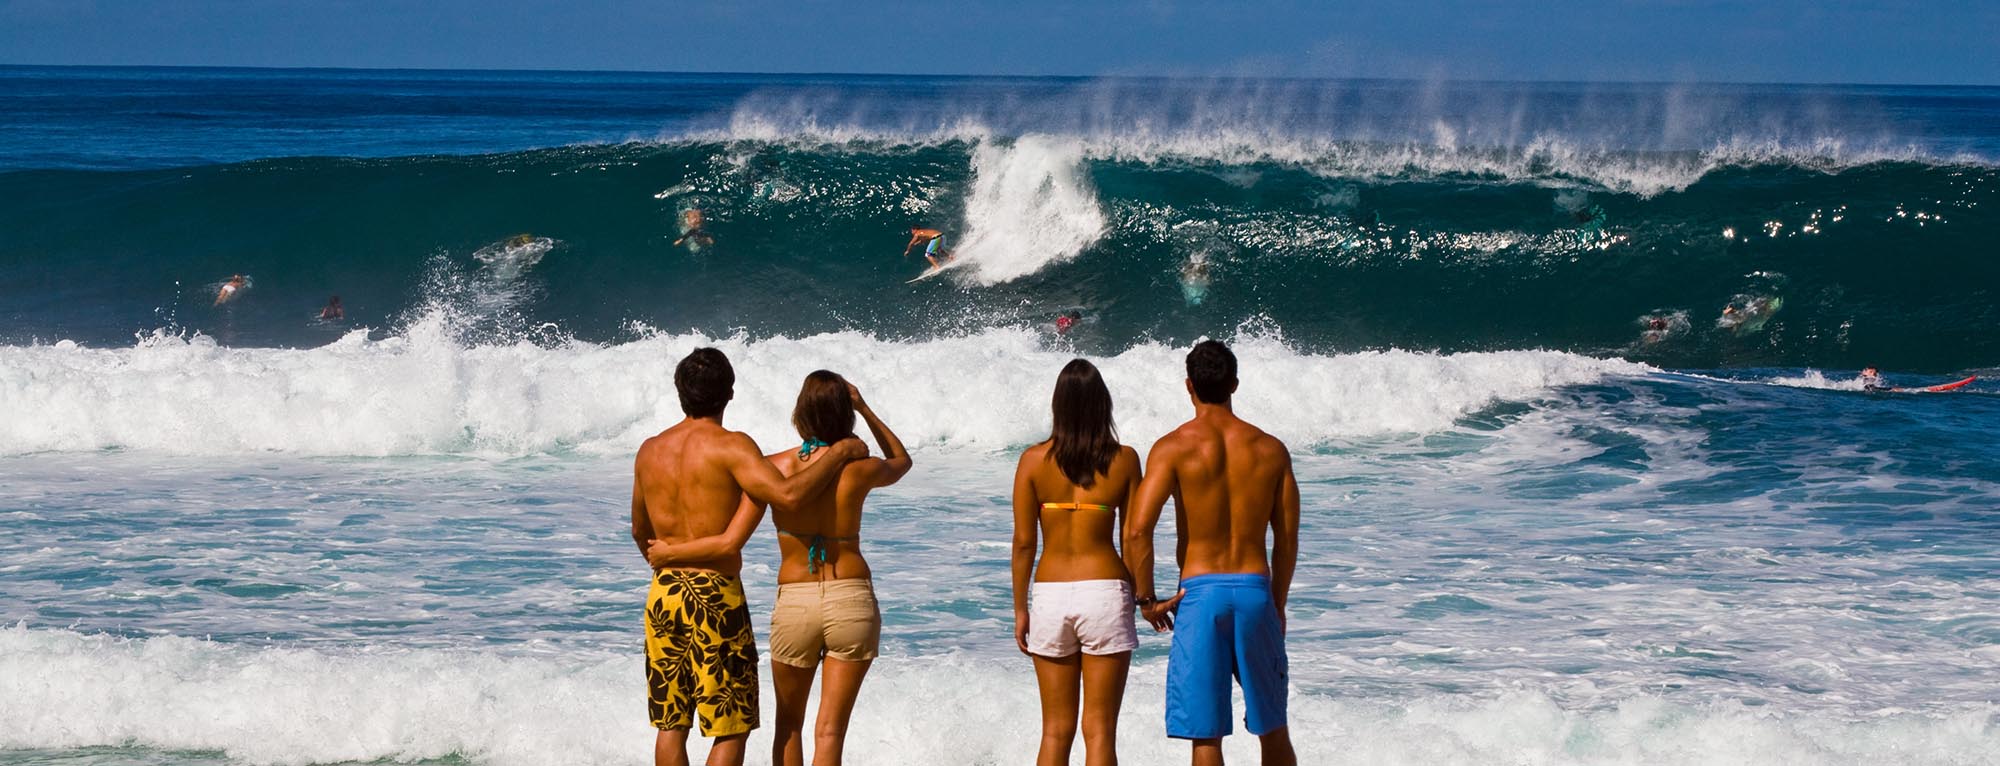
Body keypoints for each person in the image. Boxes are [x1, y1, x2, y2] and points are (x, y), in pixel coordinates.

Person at [648, 371, 912, 766]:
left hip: (795, 603)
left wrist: (673, 552)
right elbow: (902, 460)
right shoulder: (861, 468)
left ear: (800, 413)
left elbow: (731, 536)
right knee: (830, 732)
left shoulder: (773, 468)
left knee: (788, 726)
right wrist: (864, 408)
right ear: (845, 414)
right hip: (850, 598)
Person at [1125, 340, 1300, 766]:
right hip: (1256, 591)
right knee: (1273, 728)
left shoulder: (1173, 447)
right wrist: (1277, 604)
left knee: (1205, 736)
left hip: (1199, 595)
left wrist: (1147, 600)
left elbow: (1137, 530)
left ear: (1189, 385)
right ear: (1235, 384)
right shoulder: (1270, 449)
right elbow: (1287, 538)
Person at [1012, 359, 1143, 766]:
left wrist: (1020, 609)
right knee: (1100, 730)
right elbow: (1133, 538)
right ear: (1103, 403)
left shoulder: (1032, 461)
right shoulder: (1124, 460)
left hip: (1050, 594)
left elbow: (1023, 543)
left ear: (1058, 404)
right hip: (1104, 591)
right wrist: (1143, 596)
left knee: (1055, 730)